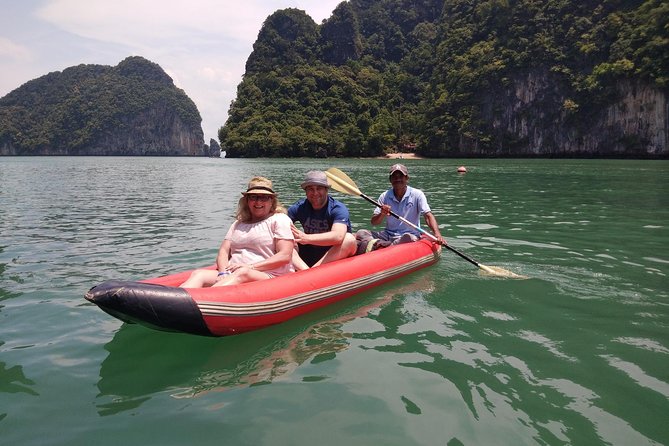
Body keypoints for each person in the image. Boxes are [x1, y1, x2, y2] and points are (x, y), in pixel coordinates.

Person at [179, 177, 294, 288]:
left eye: (264, 197)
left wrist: (251, 267)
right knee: (199, 274)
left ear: (271, 201)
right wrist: (223, 273)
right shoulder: (238, 224)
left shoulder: (279, 219)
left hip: (269, 275)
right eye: (253, 197)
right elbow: (223, 251)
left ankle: (205, 300)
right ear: (247, 201)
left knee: (243, 273)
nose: (258, 202)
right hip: (234, 273)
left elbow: (285, 256)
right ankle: (177, 303)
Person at [356, 163, 445, 252]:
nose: (397, 179)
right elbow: (374, 222)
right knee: (361, 233)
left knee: (409, 238)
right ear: (390, 180)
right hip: (388, 235)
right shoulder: (384, 196)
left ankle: (383, 245)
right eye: (394, 176)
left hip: (407, 236)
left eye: (401, 176)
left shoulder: (417, 194)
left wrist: (437, 234)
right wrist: (382, 214)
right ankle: (385, 244)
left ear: (407, 178)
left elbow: (428, 215)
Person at [288, 170, 357, 269]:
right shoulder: (299, 207)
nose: (315, 193)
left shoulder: (337, 208)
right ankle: (305, 271)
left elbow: (338, 236)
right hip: (310, 253)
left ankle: (312, 273)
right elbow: (280, 223)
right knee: (283, 238)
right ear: (306, 191)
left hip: (334, 253)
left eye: (319, 188)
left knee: (349, 239)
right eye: (310, 189)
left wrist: (306, 238)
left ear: (326, 190)